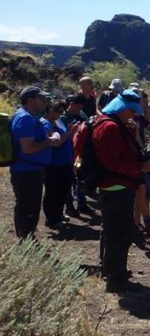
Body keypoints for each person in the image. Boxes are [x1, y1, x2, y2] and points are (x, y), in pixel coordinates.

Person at [93, 90, 150, 293]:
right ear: (121, 108)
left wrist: (131, 132)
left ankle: (112, 270)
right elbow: (112, 163)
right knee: (119, 233)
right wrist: (141, 168)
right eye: (131, 110)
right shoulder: (110, 127)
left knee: (113, 230)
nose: (133, 114)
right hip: (116, 186)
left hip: (116, 185)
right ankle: (115, 276)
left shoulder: (111, 123)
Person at [9, 86, 62, 239]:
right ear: (30, 100)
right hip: (26, 171)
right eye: (41, 98)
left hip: (30, 170)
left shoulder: (30, 117)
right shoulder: (25, 118)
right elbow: (28, 148)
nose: (45, 101)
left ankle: (27, 237)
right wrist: (49, 142)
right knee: (28, 206)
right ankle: (26, 241)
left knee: (29, 205)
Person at [40, 100, 76, 228]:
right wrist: (69, 133)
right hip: (53, 164)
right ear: (49, 110)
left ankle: (59, 214)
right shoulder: (45, 124)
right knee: (53, 191)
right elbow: (56, 142)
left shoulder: (59, 121)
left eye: (62, 111)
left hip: (65, 162)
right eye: (57, 111)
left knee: (63, 189)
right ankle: (52, 218)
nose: (60, 114)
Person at [133, 91, 150, 235]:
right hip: (136, 158)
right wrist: (143, 156)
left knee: (143, 192)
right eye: (144, 101)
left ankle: (138, 224)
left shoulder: (141, 118)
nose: (146, 104)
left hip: (142, 156)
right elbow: (136, 138)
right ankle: (141, 221)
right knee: (140, 192)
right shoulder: (132, 118)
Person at [60, 94, 87, 216]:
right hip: (66, 154)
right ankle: (69, 206)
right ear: (71, 104)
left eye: (81, 106)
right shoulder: (62, 117)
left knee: (80, 177)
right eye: (77, 106)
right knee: (68, 179)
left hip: (78, 154)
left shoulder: (81, 115)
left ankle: (81, 203)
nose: (79, 109)